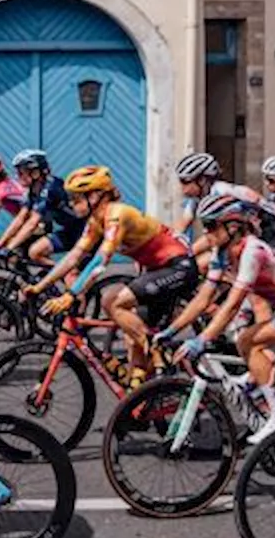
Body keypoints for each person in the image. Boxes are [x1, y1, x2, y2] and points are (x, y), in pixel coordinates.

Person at [170, 194, 275, 443]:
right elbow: (203, 298)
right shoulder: (222, 252)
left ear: (232, 226)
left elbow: (233, 303)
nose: (207, 233)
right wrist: (172, 330)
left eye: (211, 226)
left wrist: (202, 339)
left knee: (248, 341)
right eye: (204, 226)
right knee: (265, 361)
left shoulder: (251, 251)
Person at [29, 165, 196, 390]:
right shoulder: (96, 221)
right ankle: (139, 397)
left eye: (77, 198)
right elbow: (73, 257)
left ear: (96, 196)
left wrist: (71, 294)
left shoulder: (117, 215)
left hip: (177, 267)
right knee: (131, 336)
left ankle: (159, 351)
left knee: (113, 302)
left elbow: (100, 262)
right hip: (156, 270)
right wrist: (39, 287)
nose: (71, 203)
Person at [172, 151, 275, 254]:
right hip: (248, 237)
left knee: (203, 263)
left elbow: (215, 236)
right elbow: (184, 222)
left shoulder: (221, 193)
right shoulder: (198, 196)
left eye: (185, 182)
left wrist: (186, 254)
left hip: (272, 234)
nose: (182, 187)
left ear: (202, 180)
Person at [0, 149, 84, 270]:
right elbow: (20, 218)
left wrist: (9, 248)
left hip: (85, 231)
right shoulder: (33, 190)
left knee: (71, 274)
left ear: (35, 173)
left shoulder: (50, 188)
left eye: (21, 172)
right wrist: (1, 243)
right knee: (35, 252)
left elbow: (32, 223)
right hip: (70, 231)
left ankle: (66, 276)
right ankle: (59, 275)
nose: (17, 176)